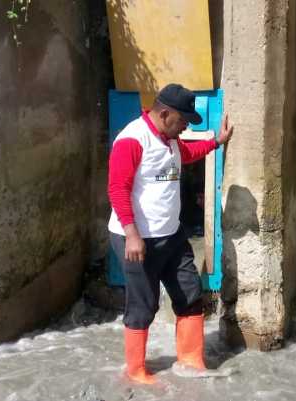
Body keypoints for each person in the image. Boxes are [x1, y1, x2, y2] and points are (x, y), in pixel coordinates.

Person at [107, 83, 234, 384]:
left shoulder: (170, 139)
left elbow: (187, 153)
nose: (186, 127)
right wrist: (132, 234)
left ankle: (190, 360)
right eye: (184, 121)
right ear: (165, 114)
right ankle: (136, 371)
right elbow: (117, 188)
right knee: (144, 304)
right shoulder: (132, 139)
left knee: (190, 295)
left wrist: (217, 141)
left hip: (172, 236)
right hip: (136, 239)